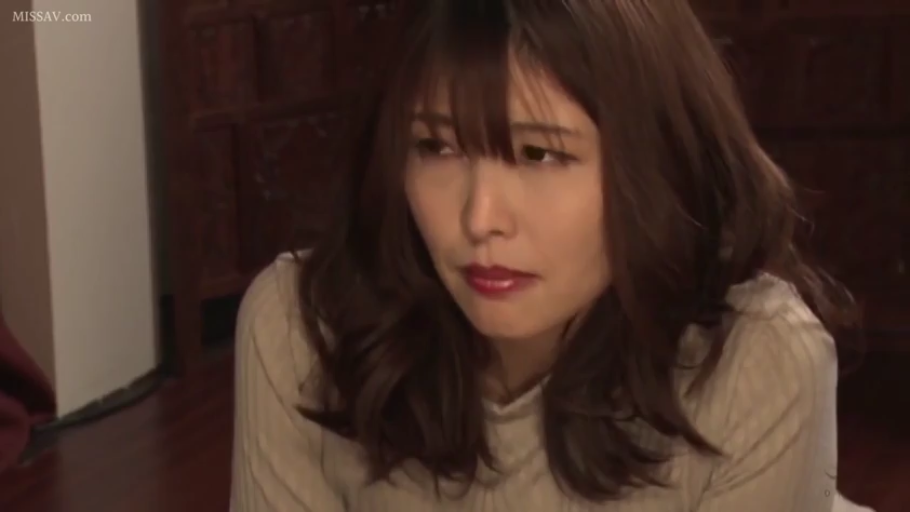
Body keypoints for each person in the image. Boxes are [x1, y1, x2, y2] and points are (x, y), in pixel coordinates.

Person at [229, 1, 874, 511]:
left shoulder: (758, 363)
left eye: (539, 154)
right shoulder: (297, 328)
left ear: (654, 165)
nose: (480, 218)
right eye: (436, 147)